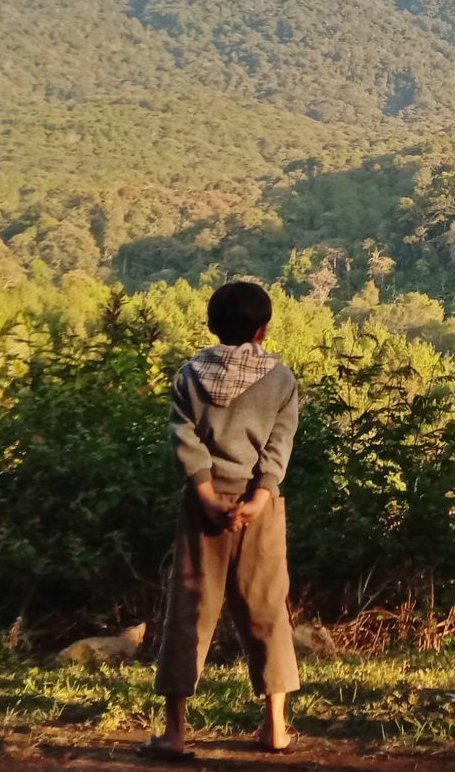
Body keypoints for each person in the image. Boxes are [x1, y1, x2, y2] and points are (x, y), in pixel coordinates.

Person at [139, 281, 300, 762]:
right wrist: (258, 498)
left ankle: (174, 733)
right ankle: (275, 726)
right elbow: (280, 443)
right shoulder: (280, 379)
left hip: (201, 506)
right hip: (260, 507)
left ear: (212, 326)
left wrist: (207, 494)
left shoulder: (190, 375)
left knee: (189, 611)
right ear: (262, 329)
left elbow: (184, 439)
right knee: (267, 609)